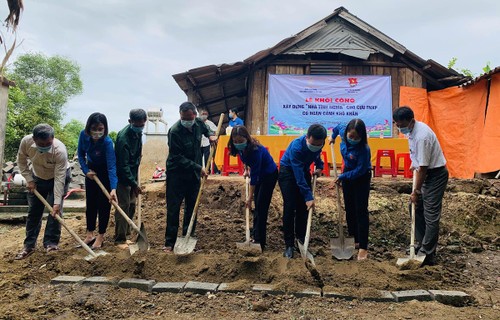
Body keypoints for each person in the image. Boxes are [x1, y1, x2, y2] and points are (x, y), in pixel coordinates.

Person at [393, 106, 448, 266]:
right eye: (396, 124)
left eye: (400, 124)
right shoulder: (412, 131)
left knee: (430, 214)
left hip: (435, 175)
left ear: (410, 120)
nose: (399, 128)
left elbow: (424, 168)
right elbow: (419, 159)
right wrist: (414, 162)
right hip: (425, 172)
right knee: (414, 208)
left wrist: (416, 191)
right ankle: (421, 243)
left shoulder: (421, 136)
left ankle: (427, 253)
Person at [163, 102, 216, 252]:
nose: (186, 121)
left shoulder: (199, 123)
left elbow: (207, 130)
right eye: (183, 118)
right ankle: (170, 242)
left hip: (193, 174)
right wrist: (199, 167)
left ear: (194, 115)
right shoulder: (174, 131)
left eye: (189, 118)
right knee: (173, 208)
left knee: (192, 206)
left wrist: (211, 136)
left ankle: (188, 236)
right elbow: (177, 157)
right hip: (177, 174)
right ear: (180, 115)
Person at [14, 124, 71, 259]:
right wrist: (29, 180)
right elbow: (21, 161)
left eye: (48, 143)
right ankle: (29, 245)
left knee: (54, 211)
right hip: (37, 177)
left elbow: (59, 178)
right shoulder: (26, 142)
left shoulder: (59, 151)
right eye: (42, 143)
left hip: (58, 178)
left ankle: (51, 244)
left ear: (53, 138)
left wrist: (57, 201)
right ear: (34, 139)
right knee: (34, 211)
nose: (45, 145)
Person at [278, 124, 326, 258]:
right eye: (313, 143)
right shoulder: (296, 147)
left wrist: (320, 167)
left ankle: (301, 242)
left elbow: (316, 157)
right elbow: (298, 177)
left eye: (319, 144)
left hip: (303, 171)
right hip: (288, 173)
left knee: (302, 209)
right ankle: (289, 245)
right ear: (307, 137)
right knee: (290, 206)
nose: (315, 146)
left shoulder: (319, 144)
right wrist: (308, 196)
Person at [228, 126, 278, 251]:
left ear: (247, 138)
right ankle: (256, 236)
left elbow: (254, 177)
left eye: (241, 141)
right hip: (258, 173)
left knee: (261, 207)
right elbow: (246, 161)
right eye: (236, 142)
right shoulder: (240, 149)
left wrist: (249, 198)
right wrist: (246, 169)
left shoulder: (255, 150)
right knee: (257, 207)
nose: (239, 144)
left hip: (269, 175)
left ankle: (260, 241)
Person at [331, 119, 372, 260]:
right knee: (349, 207)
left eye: (357, 137)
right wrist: (332, 139)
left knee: (360, 209)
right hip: (348, 173)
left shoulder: (364, 150)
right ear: (346, 133)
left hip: (361, 176)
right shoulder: (343, 132)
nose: (353, 139)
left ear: (362, 137)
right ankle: (354, 239)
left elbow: (360, 170)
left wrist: (343, 176)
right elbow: (337, 127)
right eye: (351, 136)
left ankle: (363, 247)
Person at [77, 112, 118, 250]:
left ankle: (100, 236)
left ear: (105, 128)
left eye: (100, 129)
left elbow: (112, 166)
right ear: (89, 128)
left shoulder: (107, 142)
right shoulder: (83, 135)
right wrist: (86, 170)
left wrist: (113, 188)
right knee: (91, 204)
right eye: (94, 129)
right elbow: (81, 155)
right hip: (91, 172)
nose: (97, 132)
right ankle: (90, 234)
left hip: (105, 173)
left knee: (103, 206)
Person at [114, 109, 147, 249]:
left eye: (142, 125)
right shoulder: (123, 138)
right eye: (137, 124)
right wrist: (133, 184)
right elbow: (123, 165)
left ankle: (127, 235)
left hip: (133, 174)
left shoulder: (138, 133)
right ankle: (119, 239)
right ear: (130, 122)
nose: (140, 127)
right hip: (122, 177)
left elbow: (137, 154)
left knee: (132, 205)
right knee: (124, 205)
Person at [199, 108, 220, 174]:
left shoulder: (210, 123)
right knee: (199, 157)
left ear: (207, 115)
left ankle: (207, 170)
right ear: (200, 115)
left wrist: (212, 136)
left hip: (206, 143)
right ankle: (199, 170)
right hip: (199, 143)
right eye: (202, 114)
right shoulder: (198, 122)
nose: (203, 115)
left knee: (207, 157)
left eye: (205, 114)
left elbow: (216, 130)